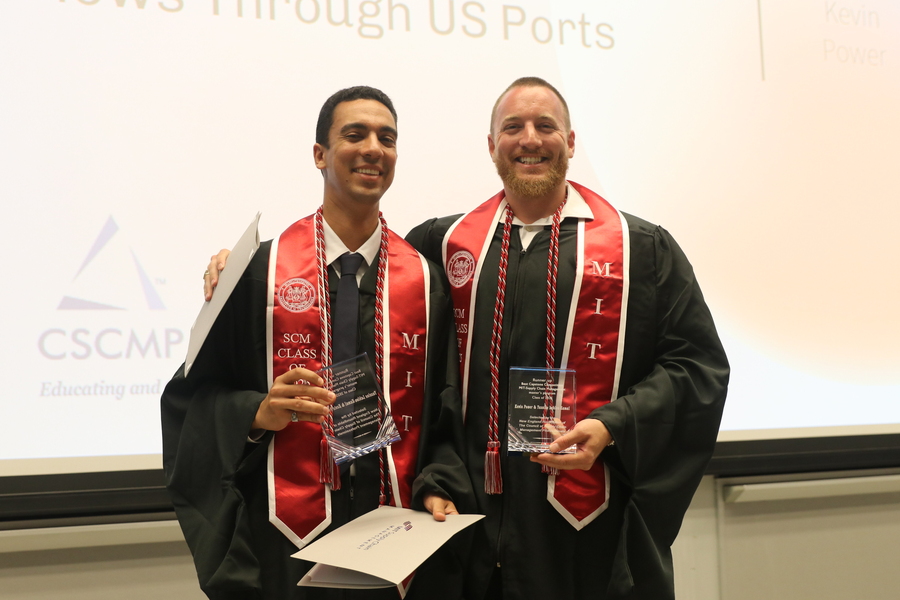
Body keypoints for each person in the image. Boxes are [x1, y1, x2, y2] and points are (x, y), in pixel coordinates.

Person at [205, 77, 729, 599]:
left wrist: (611, 425)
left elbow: (696, 369)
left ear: (570, 142)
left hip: (584, 534)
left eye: (545, 126)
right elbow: (410, 367)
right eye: (512, 127)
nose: (529, 139)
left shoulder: (640, 251)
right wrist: (237, 271)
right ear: (491, 146)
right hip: (466, 539)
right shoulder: (442, 249)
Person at [163, 86, 473, 600]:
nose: (373, 147)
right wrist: (257, 412)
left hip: (398, 544)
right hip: (286, 544)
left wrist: (439, 483)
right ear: (319, 154)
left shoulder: (426, 280)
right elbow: (190, 401)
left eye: (387, 138)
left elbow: (446, 410)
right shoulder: (256, 272)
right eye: (355, 134)